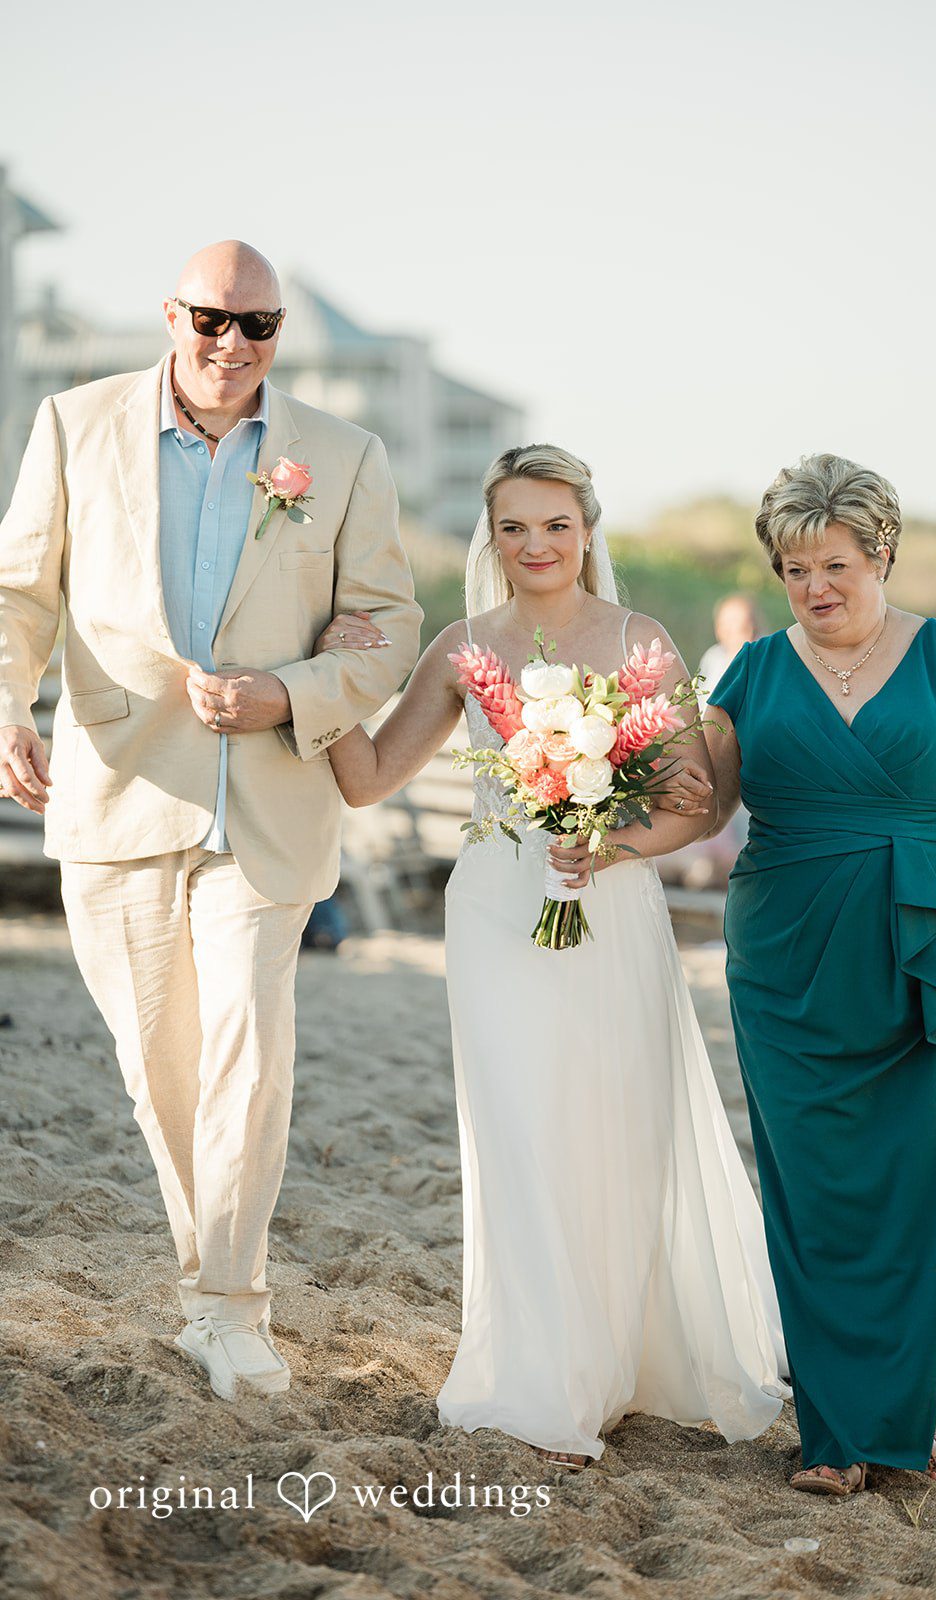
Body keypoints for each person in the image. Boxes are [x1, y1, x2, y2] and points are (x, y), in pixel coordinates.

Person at [0, 240, 422, 1400]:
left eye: (258, 325)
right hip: (119, 786)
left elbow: (387, 618)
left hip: (272, 801)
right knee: (160, 1067)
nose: (231, 346)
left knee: (246, 1052)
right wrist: (8, 708)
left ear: (280, 332)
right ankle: (206, 1284)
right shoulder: (74, 424)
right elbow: (19, 592)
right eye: (210, 320)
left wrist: (291, 691)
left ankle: (232, 1306)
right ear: (170, 315)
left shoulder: (342, 456)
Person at [316, 444, 789, 1469]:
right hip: (493, 912)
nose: (535, 544)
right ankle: (544, 1372)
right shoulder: (459, 646)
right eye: (514, 526)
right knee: (519, 1131)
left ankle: (615, 1357)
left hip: (603, 908)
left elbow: (690, 802)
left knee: (609, 1125)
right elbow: (367, 779)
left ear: (587, 529)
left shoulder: (638, 640)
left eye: (554, 524)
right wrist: (324, 683)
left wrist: (605, 839)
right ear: (492, 535)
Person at [659, 453, 936, 1493]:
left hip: (925, 957)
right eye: (793, 570)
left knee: (911, 1190)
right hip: (784, 965)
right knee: (815, 1196)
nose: (814, 588)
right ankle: (841, 1434)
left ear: (882, 553)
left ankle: (896, 1419)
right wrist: (591, 816)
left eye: (833, 564)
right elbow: (699, 810)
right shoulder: (746, 674)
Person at [697, 594, 765, 690]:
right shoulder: (713, 656)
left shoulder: (763, 658)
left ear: (750, 627)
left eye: (732, 622)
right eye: (722, 622)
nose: (725, 629)